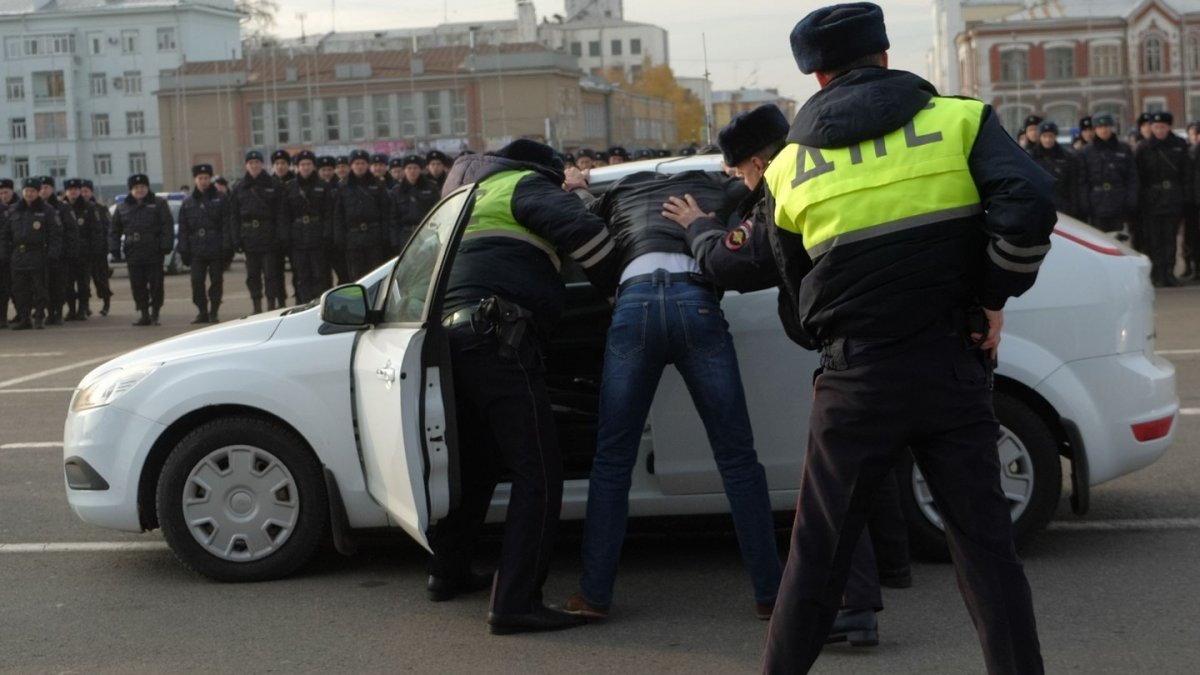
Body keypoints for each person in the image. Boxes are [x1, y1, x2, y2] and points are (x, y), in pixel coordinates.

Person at [760, 5, 1054, 673]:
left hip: (855, 380)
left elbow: (794, 281)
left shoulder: (786, 167)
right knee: (987, 556)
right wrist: (989, 295)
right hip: (950, 362)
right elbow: (1029, 204)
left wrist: (839, 337)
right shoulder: (960, 121)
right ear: (886, 57)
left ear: (818, 76)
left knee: (815, 563)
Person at [660, 103, 893, 644]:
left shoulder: (785, 186)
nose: (743, 181)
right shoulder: (842, 165)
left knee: (833, 483)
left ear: (760, 164)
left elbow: (734, 263)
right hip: (906, 335)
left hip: (851, 349)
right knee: (872, 470)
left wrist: (699, 228)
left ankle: (852, 608)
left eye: (741, 172)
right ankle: (888, 575)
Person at [560, 165, 784, 623]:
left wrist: (580, 187)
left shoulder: (615, 194)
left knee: (612, 461)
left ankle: (594, 595)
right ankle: (771, 594)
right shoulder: (717, 187)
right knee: (738, 459)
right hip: (695, 300)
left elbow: (580, 219)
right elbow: (763, 193)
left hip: (633, 303)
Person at [432, 139, 619, 635]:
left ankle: (447, 570)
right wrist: (616, 292)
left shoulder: (465, 192)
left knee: (479, 462)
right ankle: (515, 602)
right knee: (539, 470)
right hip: (500, 338)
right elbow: (593, 239)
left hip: (450, 341)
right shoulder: (525, 184)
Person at [109, 173, 173, 326]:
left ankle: (155, 312)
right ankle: (144, 313)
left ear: (147, 187)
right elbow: (114, 230)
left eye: (143, 187)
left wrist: (166, 245)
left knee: (156, 284)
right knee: (137, 285)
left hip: (153, 250)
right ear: (131, 189)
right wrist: (114, 248)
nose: (140, 190)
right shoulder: (122, 206)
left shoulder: (158, 203)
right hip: (133, 251)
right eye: (136, 187)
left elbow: (167, 226)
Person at [1136, 111, 1190, 287]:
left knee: (1170, 238)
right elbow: (1138, 176)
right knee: (1154, 239)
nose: (1160, 130)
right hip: (1153, 199)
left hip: (1173, 197)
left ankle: (1169, 272)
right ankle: (1157, 274)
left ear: (1169, 127)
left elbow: (1186, 174)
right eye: (1156, 127)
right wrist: (1144, 196)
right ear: (1151, 127)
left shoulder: (1179, 145)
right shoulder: (1144, 148)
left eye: (1163, 127)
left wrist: (1183, 196)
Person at [3, 177, 62, 330]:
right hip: (18, 255)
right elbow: (5, 234)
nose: (29, 194)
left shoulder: (46, 210)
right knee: (19, 289)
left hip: (37, 254)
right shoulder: (14, 209)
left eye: (32, 191)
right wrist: (4, 253)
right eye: (26, 191)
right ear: (22, 192)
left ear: (37, 192)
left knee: (39, 288)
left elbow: (55, 234)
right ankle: (24, 318)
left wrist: (53, 254)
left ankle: (39, 316)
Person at [230, 150, 283, 313]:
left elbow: (280, 213)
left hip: (268, 236)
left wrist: (280, 236)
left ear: (262, 164)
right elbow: (234, 216)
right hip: (249, 237)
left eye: (257, 163)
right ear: (246, 165)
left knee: (270, 274)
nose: (254, 166)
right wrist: (236, 239)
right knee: (252, 275)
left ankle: (271, 305)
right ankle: (257, 306)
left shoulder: (273, 185)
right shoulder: (239, 187)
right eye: (251, 163)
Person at [178, 164, 232, 324]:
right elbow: (183, 229)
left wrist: (227, 246)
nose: (203, 181)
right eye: (200, 178)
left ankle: (214, 311)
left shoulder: (221, 199)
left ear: (211, 179)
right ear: (195, 180)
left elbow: (226, 224)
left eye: (206, 178)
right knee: (196, 281)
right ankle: (202, 310)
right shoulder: (188, 202)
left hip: (215, 246)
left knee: (216, 280)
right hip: (196, 248)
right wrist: (184, 249)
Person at [280, 150, 334, 304]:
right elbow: (284, 215)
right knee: (301, 275)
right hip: (298, 238)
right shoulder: (289, 187)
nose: (305, 167)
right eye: (302, 164)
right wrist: (286, 237)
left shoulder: (323, 186)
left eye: (308, 164)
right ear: (296, 167)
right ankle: (303, 304)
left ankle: (320, 305)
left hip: (317, 237)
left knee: (320, 274)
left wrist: (326, 234)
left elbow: (328, 213)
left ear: (314, 166)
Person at [333, 149, 392, 279]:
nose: (359, 166)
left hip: (374, 237)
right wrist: (340, 238)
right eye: (356, 163)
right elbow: (338, 215)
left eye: (362, 163)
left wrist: (385, 235)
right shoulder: (343, 186)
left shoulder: (378, 184)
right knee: (356, 275)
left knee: (375, 274)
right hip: (353, 238)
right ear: (351, 166)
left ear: (367, 165)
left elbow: (385, 213)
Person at [1079, 114, 1137, 235]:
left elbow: (1132, 177)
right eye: (1099, 127)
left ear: (1112, 128)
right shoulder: (1086, 151)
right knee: (1098, 241)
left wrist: (1131, 200)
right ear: (1095, 129)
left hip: (1119, 201)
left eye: (1106, 126)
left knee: (1119, 241)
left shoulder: (1123, 149)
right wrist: (1085, 203)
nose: (1103, 130)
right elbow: (1082, 180)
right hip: (1096, 204)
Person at [60, 178, 101, 321]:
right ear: (66, 191)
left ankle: (83, 309)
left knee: (83, 283)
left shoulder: (89, 207)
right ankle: (71, 310)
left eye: (76, 189)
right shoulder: (61, 207)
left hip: (84, 253)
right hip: (66, 252)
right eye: (70, 190)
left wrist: (94, 250)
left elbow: (96, 231)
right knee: (68, 283)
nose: (73, 192)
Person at [1028, 120, 1084, 219]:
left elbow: (1073, 185)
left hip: (1062, 207)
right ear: (1039, 137)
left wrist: (1074, 209)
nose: (1048, 140)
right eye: (1044, 136)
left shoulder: (1067, 157)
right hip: (1038, 207)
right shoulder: (1031, 157)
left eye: (1050, 136)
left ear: (1055, 136)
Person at [41, 176, 76, 326]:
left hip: (61, 254)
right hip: (42, 254)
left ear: (52, 189)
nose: (43, 191)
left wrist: (69, 251)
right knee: (46, 285)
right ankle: (49, 313)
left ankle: (59, 312)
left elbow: (71, 231)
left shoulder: (63, 207)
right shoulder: (36, 208)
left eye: (46, 187)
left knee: (60, 285)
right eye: (41, 188)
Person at [389, 154, 440, 254]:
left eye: (415, 168)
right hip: (406, 235)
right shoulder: (396, 191)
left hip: (427, 233)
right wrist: (394, 241)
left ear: (421, 170)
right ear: (404, 170)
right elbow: (393, 219)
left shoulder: (431, 188)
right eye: (409, 168)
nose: (412, 171)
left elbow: (438, 212)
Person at [80, 180, 113, 316]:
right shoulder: (76, 208)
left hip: (99, 252)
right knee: (84, 281)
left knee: (100, 280)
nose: (83, 194)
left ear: (91, 192)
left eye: (86, 191)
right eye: (81, 191)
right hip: (84, 252)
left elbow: (107, 229)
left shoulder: (100, 208)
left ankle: (106, 303)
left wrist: (104, 247)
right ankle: (85, 306)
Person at [0, 178, 14, 327]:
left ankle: (2, 318)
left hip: (5, 256)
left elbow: (5, 235)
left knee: (4, 288)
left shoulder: (6, 210)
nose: (3, 195)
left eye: (5, 192)